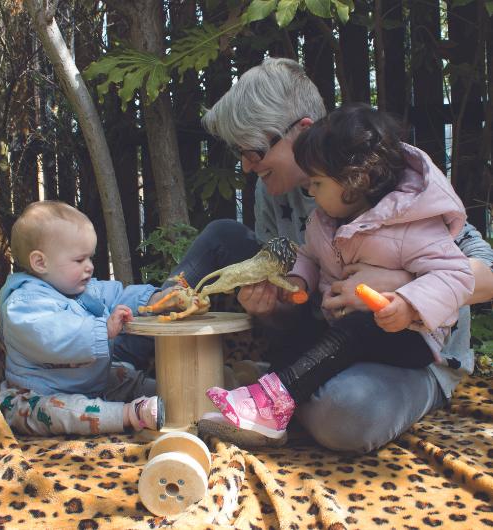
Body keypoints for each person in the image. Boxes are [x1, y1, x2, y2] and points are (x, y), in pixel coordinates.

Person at [171, 57, 493, 453]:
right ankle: (270, 392)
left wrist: (401, 287)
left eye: (254, 151)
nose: (247, 166)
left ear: (302, 132)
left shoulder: (393, 185)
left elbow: (480, 272)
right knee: (223, 235)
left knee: (346, 413)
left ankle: (271, 391)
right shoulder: (285, 197)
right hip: (330, 333)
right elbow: (301, 286)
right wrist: (277, 302)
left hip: (409, 350)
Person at [0, 200, 167, 436]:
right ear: (40, 262)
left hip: (89, 384)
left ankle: (175, 393)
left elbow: (117, 296)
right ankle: (129, 414)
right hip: (39, 394)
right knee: (63, 412)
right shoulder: (24, 304)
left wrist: (155, 299)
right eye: (79, 260)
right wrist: (102, 330)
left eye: (90, 258)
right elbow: (54, 337)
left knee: (124, 374)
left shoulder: (79, 289)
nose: (89, 267)